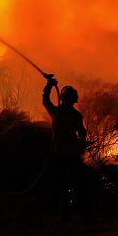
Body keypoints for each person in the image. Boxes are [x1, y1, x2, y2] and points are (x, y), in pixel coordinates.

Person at [42, 76, 92, 221]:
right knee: (76, 184)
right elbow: (82, 133)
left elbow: (45, 100)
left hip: (60, 153)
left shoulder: (56, 112)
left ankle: (68, 215)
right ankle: (82, 214)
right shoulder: (75, 115)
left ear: (63, 98)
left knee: (62, 185)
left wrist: (49, 86)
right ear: (73, 99)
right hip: (70, 154)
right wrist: (81, 146)